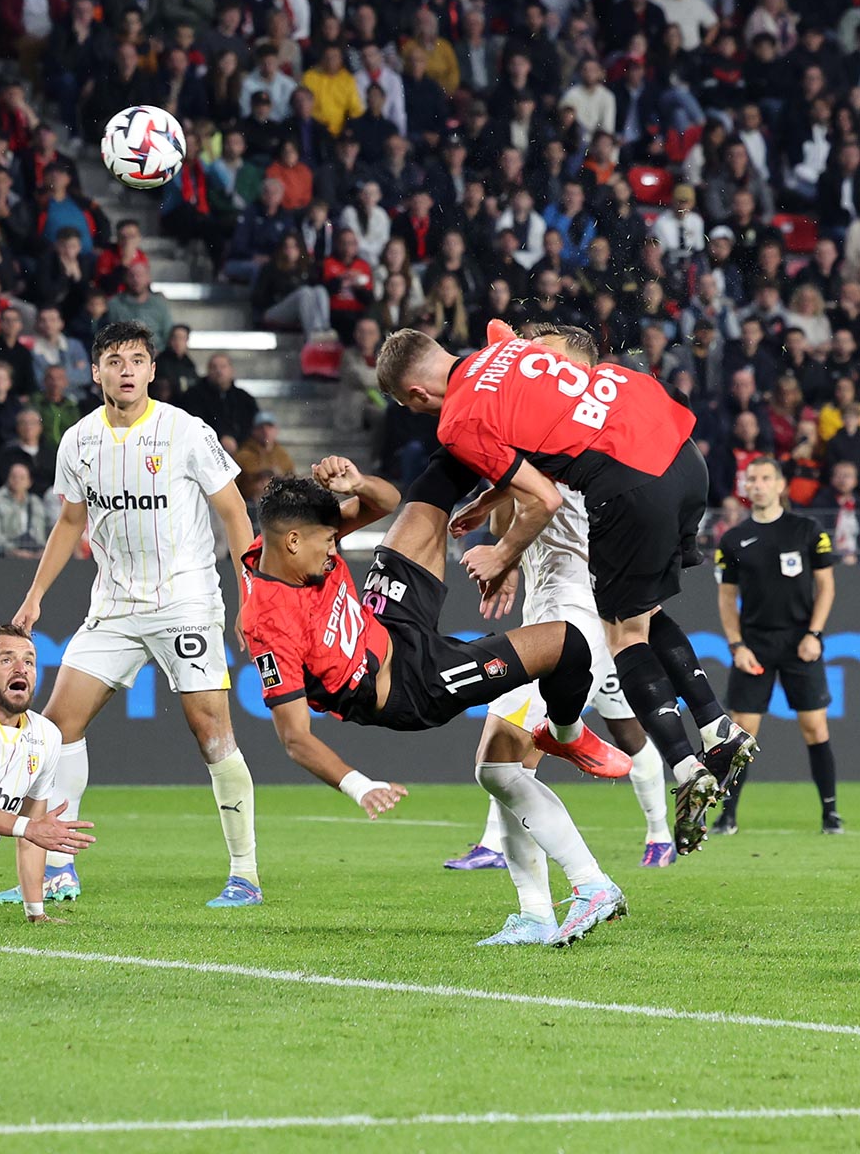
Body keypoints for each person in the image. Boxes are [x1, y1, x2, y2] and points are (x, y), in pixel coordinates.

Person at [377, 320, 759, 855]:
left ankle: (668, 765)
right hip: (677, 449)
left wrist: (501, 555)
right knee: (642, 617)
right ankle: (713, 728)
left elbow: (545, 498)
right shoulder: (507, 349)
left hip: (622, 500)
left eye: (409, 404)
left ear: (416, 393)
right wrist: (490, 506)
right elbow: (536, 466)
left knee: (618, 640)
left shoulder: (459, 419)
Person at [241, 460, 630, 947]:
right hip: (411, 686)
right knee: (567, 647)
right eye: (327, 542)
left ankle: (537, 915)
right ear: (294, 542)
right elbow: (295, 738)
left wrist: (356, 483)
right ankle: (574, 778)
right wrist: (359, 786)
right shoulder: (269, 625)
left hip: (389, 622)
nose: (334, 550)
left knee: (436, 481)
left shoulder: (288, 545)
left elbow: (384, 501)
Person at [0, 320, 261, 910]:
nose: (127, 370)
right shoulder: (78, 440)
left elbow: (236, 515)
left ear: (152, 370)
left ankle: (245, 873)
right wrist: (34, 597)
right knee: (56, 728)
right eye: (115, 360)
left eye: (137, 359)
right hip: (113, 605)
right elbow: (69, 522)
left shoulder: (186, 431)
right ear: (96, 372)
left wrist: (251, 594)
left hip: (184, 599)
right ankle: (59, 868)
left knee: (212, 733)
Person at [715, 456, 843, 836]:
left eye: (765, 478)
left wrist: (814, 635)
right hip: (754, 643)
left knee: (814, 728)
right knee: (742, 733)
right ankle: (728, 816)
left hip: (800, 642)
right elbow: (725, 597)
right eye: (751, 478)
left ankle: (830, 814)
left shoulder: (807, 529)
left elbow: (827, 586)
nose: (758, 484)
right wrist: (736, 644)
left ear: (780, 484)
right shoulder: (733, 538)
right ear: (745, 486)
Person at [0, 624, 95, 924]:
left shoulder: (45, 736)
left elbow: (36, 829)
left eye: (29, 661)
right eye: (7, 659)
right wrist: (27, 827)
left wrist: (36, 913)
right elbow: (28, 828)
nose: (20, 669)